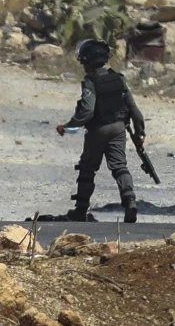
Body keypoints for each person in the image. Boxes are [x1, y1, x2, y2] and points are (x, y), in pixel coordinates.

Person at [56, 39, 146, 224]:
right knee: (120, 166)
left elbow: (87, 110)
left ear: (87, 61)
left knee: (87, 168)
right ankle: (130, 202)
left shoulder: (90, 81)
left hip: (98, 130)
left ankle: (80, 210)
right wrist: (139, 135)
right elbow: (135, 111)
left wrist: (68, 125)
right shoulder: (119, 79)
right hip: (119, 129)